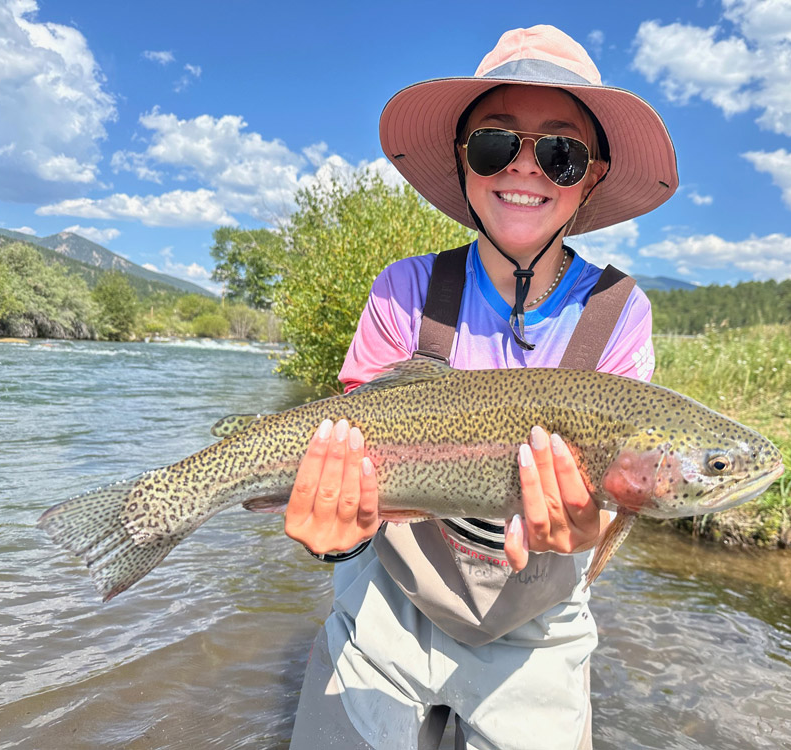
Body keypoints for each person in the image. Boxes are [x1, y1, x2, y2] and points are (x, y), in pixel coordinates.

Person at [286, 25, 678, 750]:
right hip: (388, 606)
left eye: (561, 153)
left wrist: (589, 528)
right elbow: (352, 479)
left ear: (591, 178)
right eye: (496, 144)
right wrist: (334, 542)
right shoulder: (404, 290)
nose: (525, 167)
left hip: (539, 628)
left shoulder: (620, 312)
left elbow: (610, 504)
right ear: (463, 160)